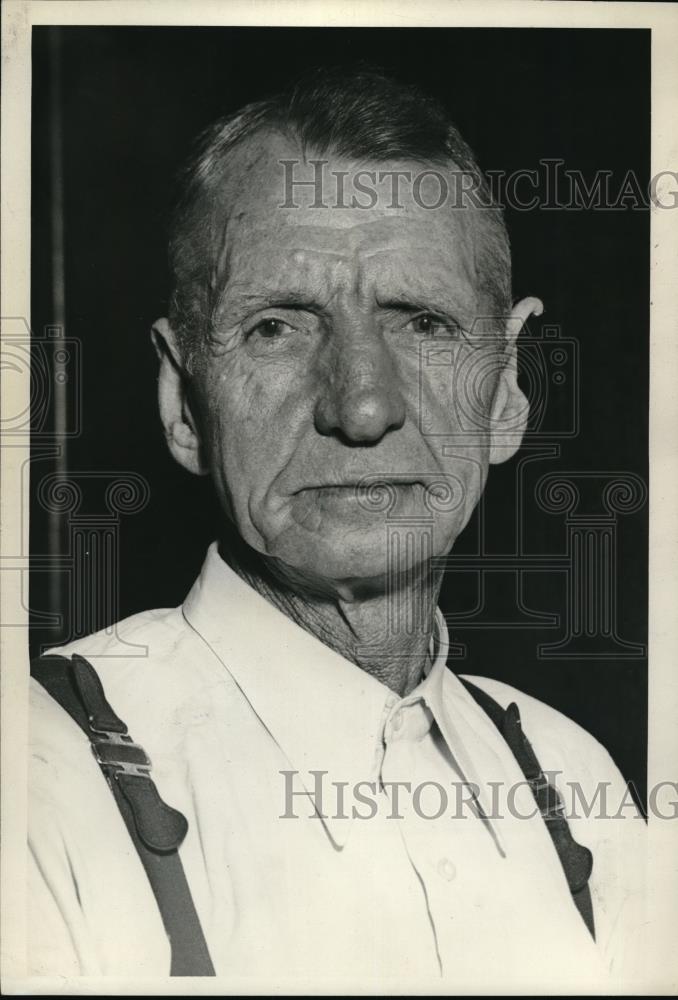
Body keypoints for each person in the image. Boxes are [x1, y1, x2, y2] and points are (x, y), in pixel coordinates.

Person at [28, 68, 646, 988]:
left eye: (425, 325)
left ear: (509, 390)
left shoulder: (572, 780)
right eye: (277, 327)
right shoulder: (40, 780)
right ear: (182, 398)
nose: (361, 406)